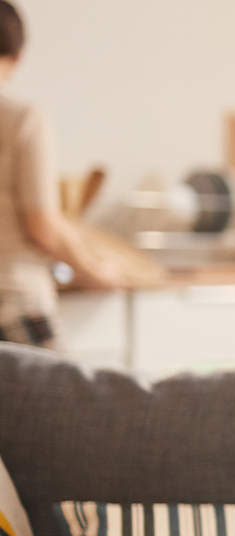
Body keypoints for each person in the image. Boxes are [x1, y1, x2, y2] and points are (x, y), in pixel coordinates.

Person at [0, 0, 122, 348]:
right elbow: (42, 226)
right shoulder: (21, 117)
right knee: (64, 402)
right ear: (19, 55)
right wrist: (95, 271)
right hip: (14, 303)